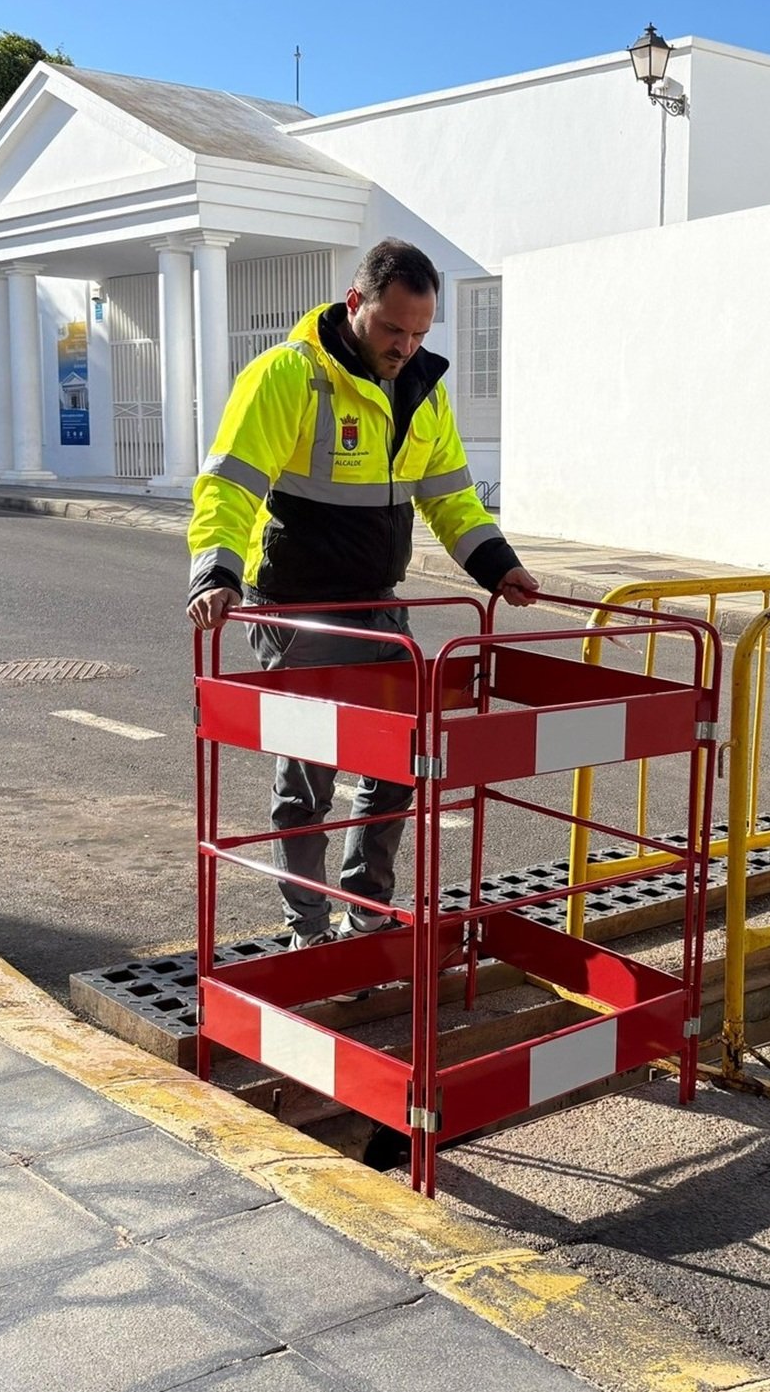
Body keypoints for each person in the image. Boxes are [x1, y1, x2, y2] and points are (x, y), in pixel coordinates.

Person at [187, 239, 539, 950]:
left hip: (377, 602)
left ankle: (367, 910)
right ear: (356, 304)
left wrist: (500, 565)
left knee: (400, 758)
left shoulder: (423, 392)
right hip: (295, 606)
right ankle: (308, 928)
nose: (405, 346)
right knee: (309, 776)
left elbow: (452, 502)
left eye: (419, 333)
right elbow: (229, 485)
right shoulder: (289, 377)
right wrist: (216, 573)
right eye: (392, 329)